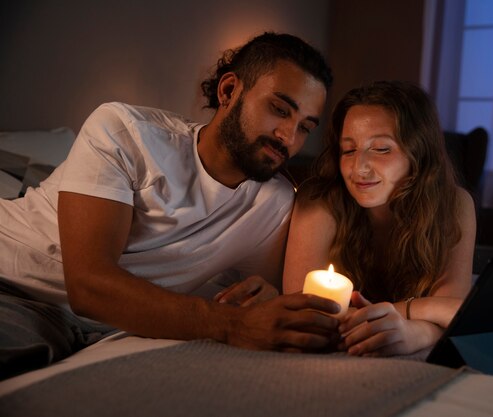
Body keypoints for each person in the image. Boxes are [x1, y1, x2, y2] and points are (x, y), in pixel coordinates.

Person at [0, 32, 341, 379]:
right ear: (228, 91)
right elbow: (89, 285)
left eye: (305, 128)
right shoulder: (126, 134)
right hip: (16, 288)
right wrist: (232, 325)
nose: (289, 137)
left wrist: (265, 297)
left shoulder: (275, 203)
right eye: (280, 110)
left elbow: (268, 296)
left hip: (109, 329)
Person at [283, 80, 476, 357]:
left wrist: (419, 333)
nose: (358, 168)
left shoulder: (454, 203)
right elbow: (305, 313)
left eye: (381, 149)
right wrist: (428, 318)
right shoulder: (319, 200)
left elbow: (456, 308)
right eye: (348, 150)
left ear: (418, 153)